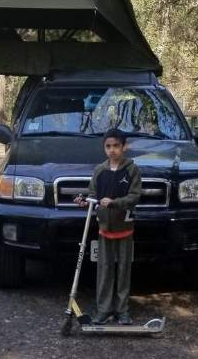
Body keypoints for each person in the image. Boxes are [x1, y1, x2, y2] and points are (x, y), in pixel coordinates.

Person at [75, 127, 141, 325]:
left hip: (125, 229)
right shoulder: (100, 170)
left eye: (116, 146)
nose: (112, 150)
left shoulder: (132, 169)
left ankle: (122, 310)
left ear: (124, 147)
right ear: (104, 148)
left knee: (123, 271)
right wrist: (86, 201)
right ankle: (104, 310)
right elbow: (93, 195)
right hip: (105, 229)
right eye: (108, 146)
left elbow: (135, 197)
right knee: (104, 270)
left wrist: (114, 202)